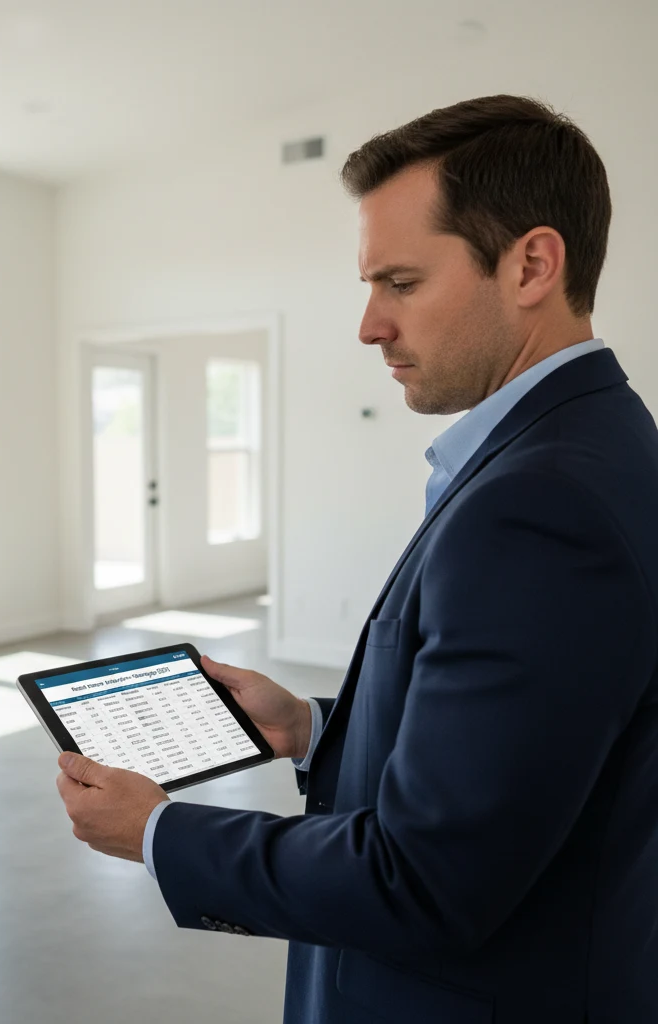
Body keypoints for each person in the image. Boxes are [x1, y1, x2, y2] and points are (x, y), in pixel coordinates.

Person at [55, 95, 658, 1023]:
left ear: (533, 264)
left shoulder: (541, 505)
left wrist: (158, 831)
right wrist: (308, 726)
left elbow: (425, 880)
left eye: (402, 283)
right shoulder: (594, 444)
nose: (370, 325)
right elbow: (533, 753)